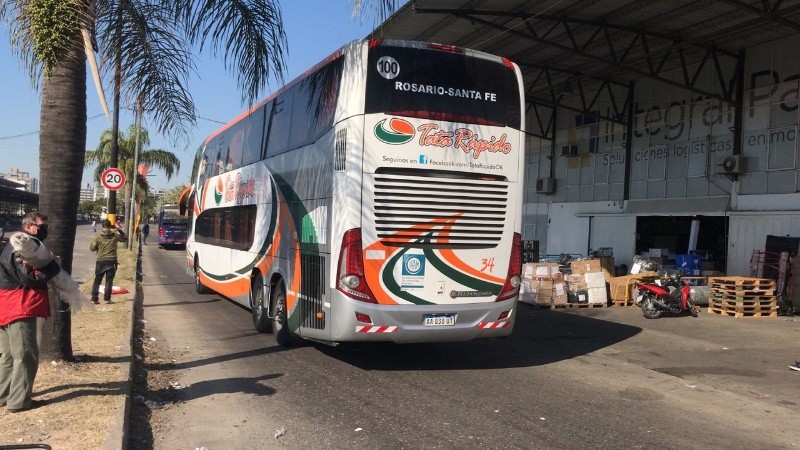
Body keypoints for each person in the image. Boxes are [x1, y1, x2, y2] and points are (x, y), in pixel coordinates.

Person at [0, 211, 60, 412]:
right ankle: (19, 401)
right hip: (19, 306)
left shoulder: (21, 245)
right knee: (26, 354)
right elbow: (29, 278)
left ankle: (3, 395)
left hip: (7, 306)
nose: (45, 230)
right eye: (41, 226)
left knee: (9, 355)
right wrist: (53, 267)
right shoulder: (21, 247)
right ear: (27, 226)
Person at [89, 219, 126, 304]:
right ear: (110, 226)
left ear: (102, 226)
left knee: (97, 281)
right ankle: (107, 299)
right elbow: (125, 239)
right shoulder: (115, 235)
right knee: (109, 281)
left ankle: (94, 299)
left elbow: (92, 248)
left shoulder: (98, 236)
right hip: (111, 261)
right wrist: (119, 229)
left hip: (100, 261)